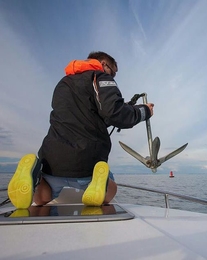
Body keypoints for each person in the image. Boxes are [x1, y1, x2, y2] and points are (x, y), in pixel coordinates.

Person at [8, 51, 154, 209]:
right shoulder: (100, 77)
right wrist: (144, 111)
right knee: (111, 190)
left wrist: (124, 107)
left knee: (43, 197)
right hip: (86, 162)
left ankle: (34, 179)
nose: (113, 76)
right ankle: (98, 186)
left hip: (52, 161)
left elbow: (86, 118)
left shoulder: (63, 83)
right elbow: (114, 113)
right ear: (104, 64)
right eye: (113, 71)